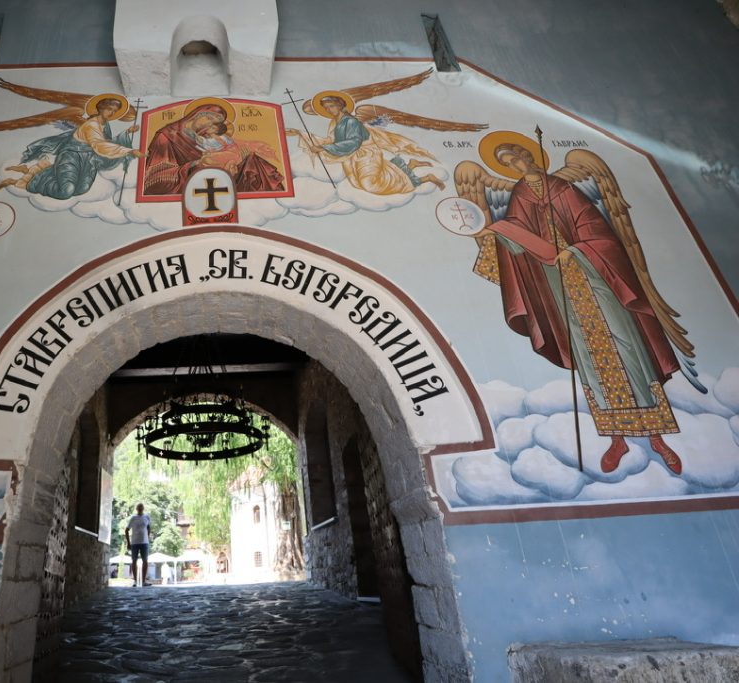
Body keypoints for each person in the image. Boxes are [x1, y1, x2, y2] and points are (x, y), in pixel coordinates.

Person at [481, 142, 683, 475]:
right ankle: (616, 439)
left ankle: (659, 439)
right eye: (508, 162)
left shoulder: (563, 188)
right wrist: (502, 238)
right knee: (591, 361)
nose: (517, 163)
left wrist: (576, 251)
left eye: (518, 156)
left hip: (598, 279)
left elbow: (599, 231)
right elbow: (519, 236)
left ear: (531, 155)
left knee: (629, 352)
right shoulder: (519, 195)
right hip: (560, 288)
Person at [287, 95, 444, 194]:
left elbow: (354, 142)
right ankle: (411, 165)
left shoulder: (351, 121)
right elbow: (331, 140)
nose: (329, 110)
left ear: (340, 105)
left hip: (366, 153)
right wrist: (300, 133)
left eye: (332, 106)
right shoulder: (335, 123)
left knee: (372, 185)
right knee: (358, 185)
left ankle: (425, 178)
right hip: (350, 156)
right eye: (327, 108)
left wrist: (323, 148)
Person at [0, 97, 143, 199]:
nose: (111, 113)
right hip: (72, 156)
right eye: (109, 109)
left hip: (89, 160)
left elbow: (107, 142)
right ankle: (31, 179)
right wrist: (129, 151)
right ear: (101, 108)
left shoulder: (105, 126)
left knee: (82, 189)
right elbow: (99, 145)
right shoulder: (91, 125)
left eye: (114, 111)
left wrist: (126, 133)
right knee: (66, 191)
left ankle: (45, 171)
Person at [143, 105, 284, 195]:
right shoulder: (167, 136)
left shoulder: (211, 138)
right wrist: (196, 165)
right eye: (210, 118)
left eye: (216, 123)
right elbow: (153, 180)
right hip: (191, 183)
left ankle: (272, 197)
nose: (212, 124)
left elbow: (231, 145)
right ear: (197, 114)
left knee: (252, 161)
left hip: (220, 175)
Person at [125, 503, 152, 586]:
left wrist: (147, 538)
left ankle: (143, 581)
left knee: (145, 561)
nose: (140, 508)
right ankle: (136, 581)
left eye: (141, 507)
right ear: (136, 508)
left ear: (143, 508)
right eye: (138, 507)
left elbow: (149, 528)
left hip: (144, 543)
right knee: (134, 561)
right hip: (134, 543)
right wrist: (128, 543)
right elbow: (126, 530)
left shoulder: (147, 517)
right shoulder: (133, 518)